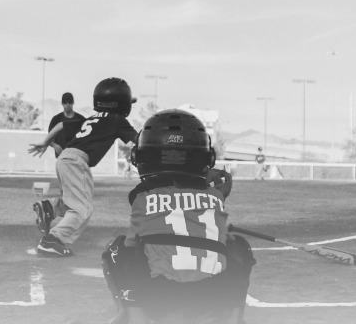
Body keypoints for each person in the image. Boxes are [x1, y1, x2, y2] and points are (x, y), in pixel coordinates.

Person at [102, 109, 255, 324]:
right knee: (239, 245)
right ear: (206, 159)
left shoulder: (141, 197)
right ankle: (234, 318)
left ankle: (133, 316)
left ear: (142, 158)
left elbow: (133, 242)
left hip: (160, 294)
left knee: (117, 249)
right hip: (214, 293)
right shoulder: (215, 197)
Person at [28, 77, 139, 257]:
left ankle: (50, 208)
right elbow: (138, 139)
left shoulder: (93, 118)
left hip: (65, 157)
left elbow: (61, 125)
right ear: (122, 104)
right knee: (82, 209)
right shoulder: (117, 119)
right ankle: (53, 240)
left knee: (72, 200)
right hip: (76, 162)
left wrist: (45, 142)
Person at [46, 92, 86, 158]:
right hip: (61, 157)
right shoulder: (56, 119)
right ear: (62, 103)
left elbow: (87, 136)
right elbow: (49, 138)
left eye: (70, 102)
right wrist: (55, 146)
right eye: (65, 102)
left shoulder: (81, 119)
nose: (67, 105)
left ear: (73, 103)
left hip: (76, 157)